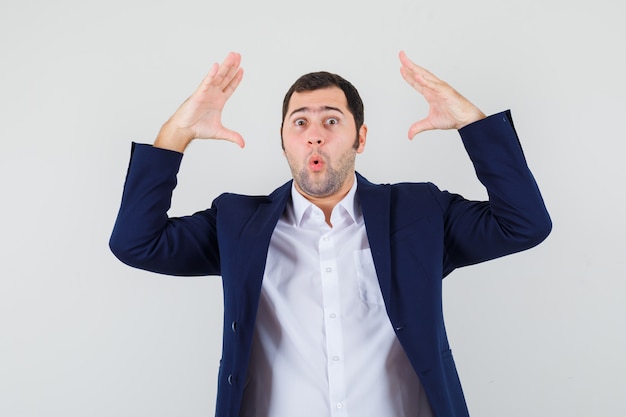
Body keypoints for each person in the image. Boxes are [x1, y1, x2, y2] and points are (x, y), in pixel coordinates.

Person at [109, 51, 551, 417]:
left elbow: (524, 224)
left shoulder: (421, 213)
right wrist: (176, 136)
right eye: (299, 123)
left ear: (360, 137)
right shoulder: (236, 223)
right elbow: (136, 242)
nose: (314, 136)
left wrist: (472, 124)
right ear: (283, 140)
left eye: (331, 121)